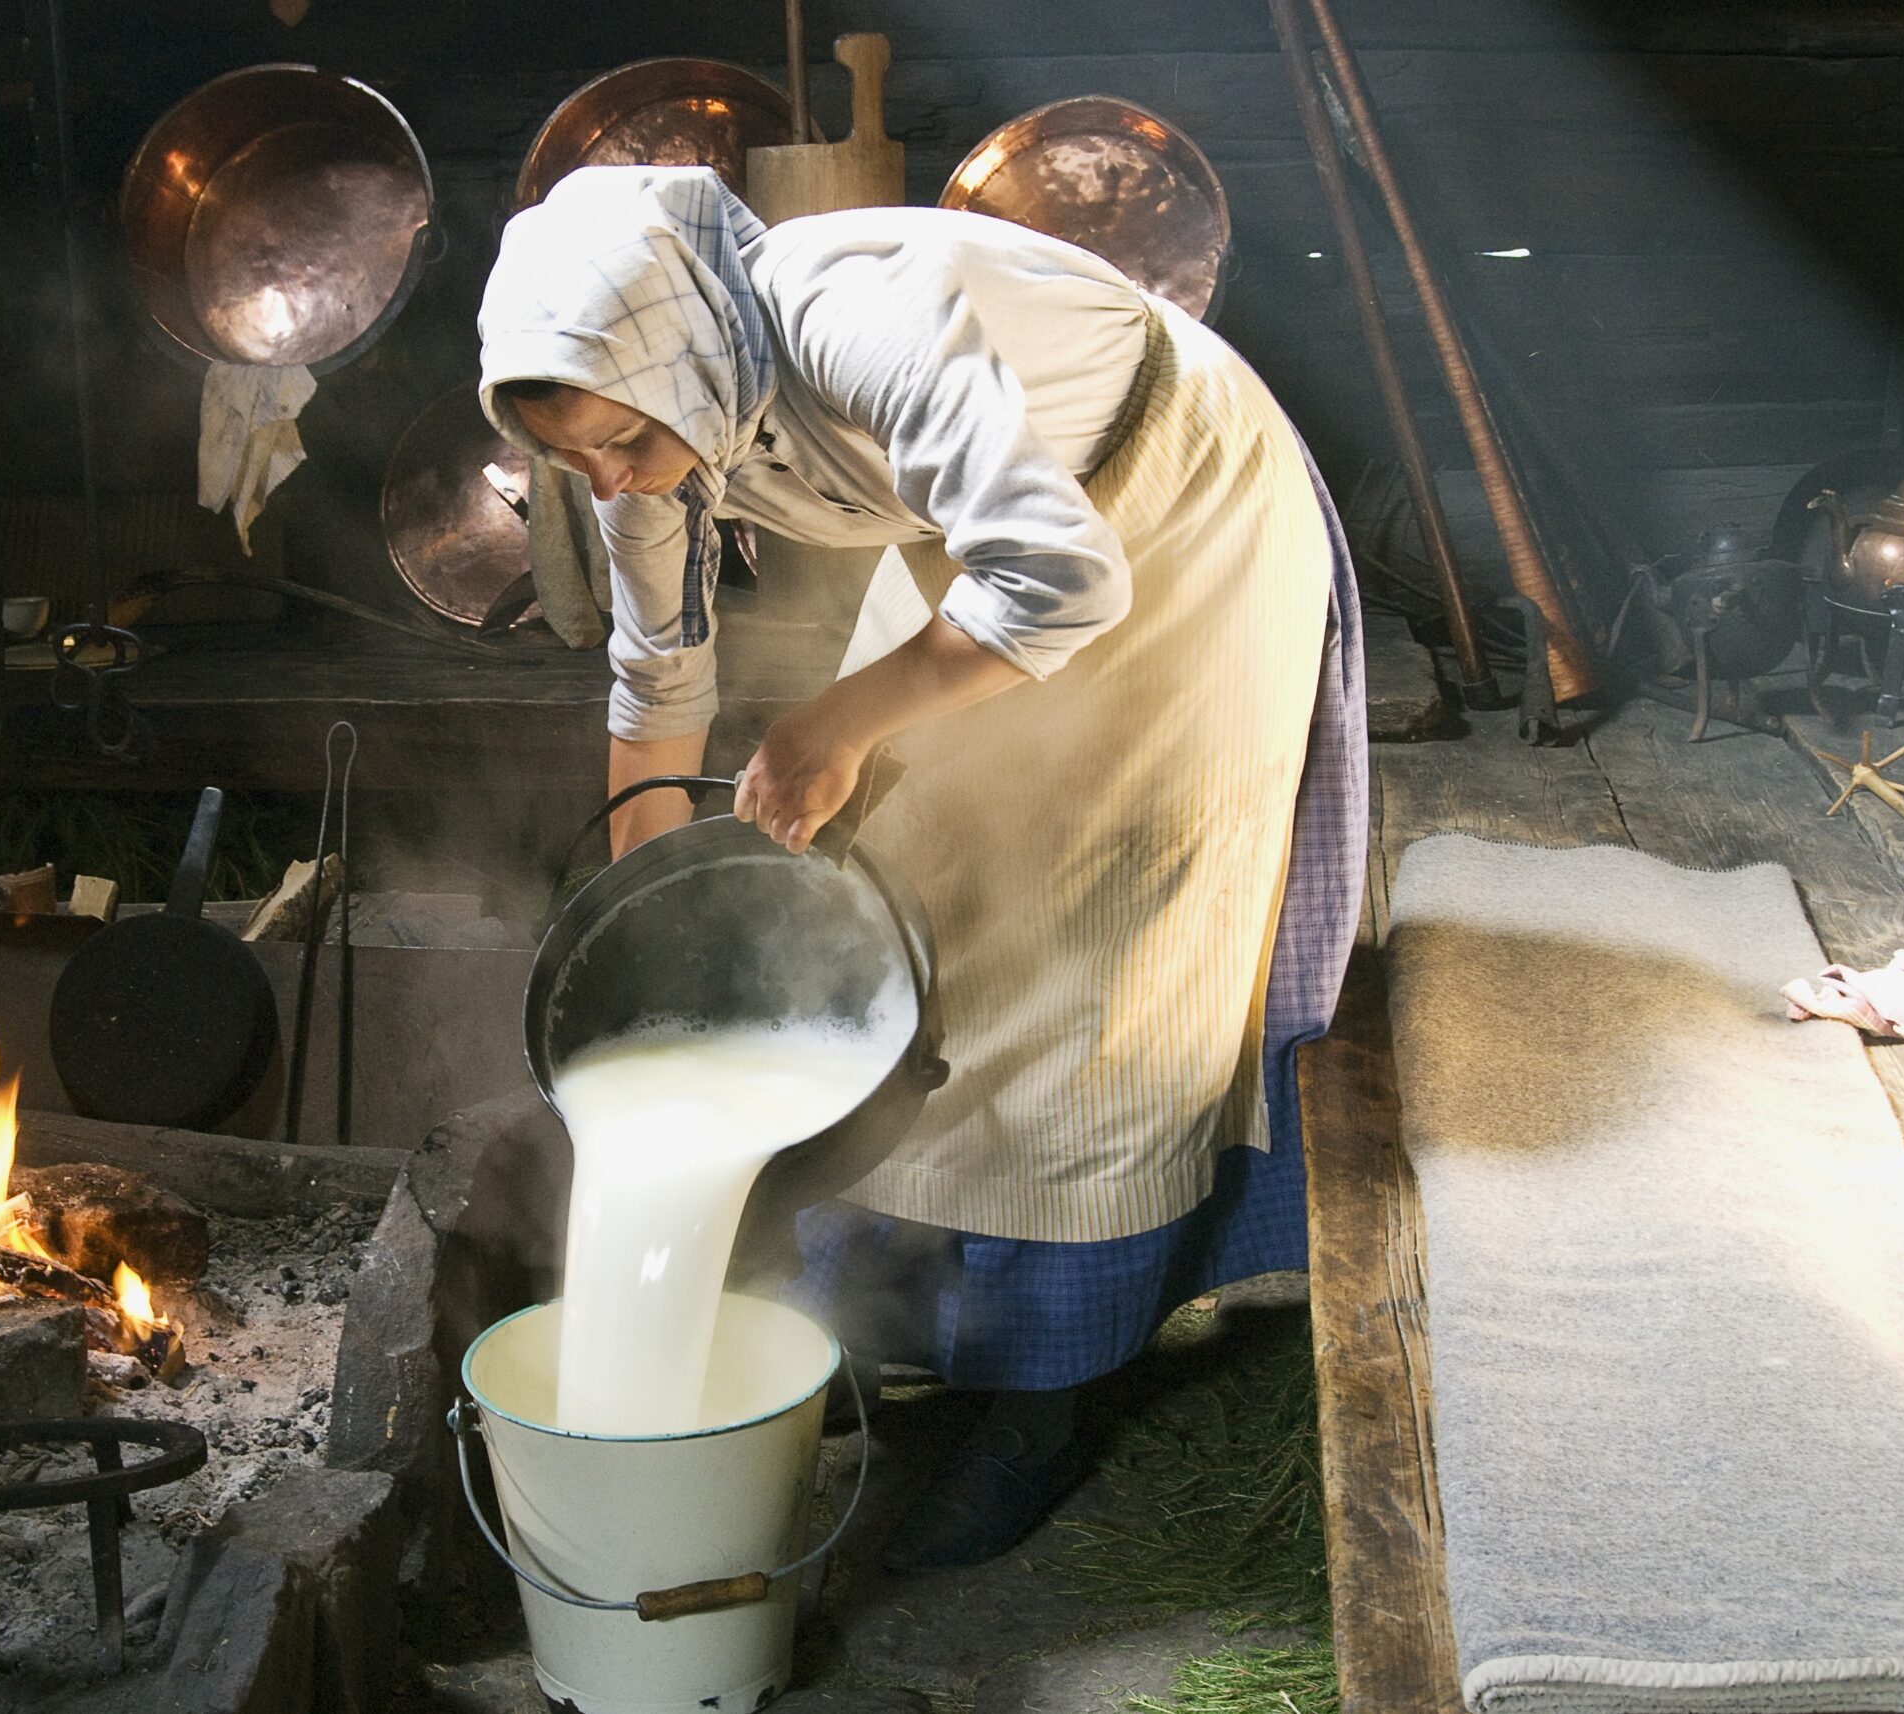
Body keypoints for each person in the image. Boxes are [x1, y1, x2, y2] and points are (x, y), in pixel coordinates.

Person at [477, 165, 1365, 1572]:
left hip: (1171, 507)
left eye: (622, 446)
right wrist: (640, 950)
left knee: (1102, 950)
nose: (609, 480)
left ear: (684, 363)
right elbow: (657, 675)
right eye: (577, 460)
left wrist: (834, 719)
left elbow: (1064, 579)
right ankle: (900, 1334)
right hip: (989, 545)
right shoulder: (635, 424)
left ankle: (1042, 1397)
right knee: (887, 902)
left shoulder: (860, 321)